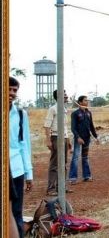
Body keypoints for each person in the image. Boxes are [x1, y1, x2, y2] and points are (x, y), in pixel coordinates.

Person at [9, 76, 33, 238]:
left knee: (16, 213)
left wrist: (28, 174)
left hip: (16, 170)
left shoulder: (20, 114)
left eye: (14, 90)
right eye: (8, 89)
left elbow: (24, 145)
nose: (11, 93)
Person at [43, 89, 73, 196]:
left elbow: (65, 127)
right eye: (64, 95)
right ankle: (51, 189)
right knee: (55, 164)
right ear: (59, 96)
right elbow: (47, 125)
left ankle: (61, 187)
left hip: (63, 138)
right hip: (56, 137)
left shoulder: (64, 109)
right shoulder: (53, 109)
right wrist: (48, 140)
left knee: (63, 163)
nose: (66, 96)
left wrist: (68, 140)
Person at [69, 95, 99, 185]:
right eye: (85, 100)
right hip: (79, 139)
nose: (87, 102)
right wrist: (78, 137)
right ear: (80, 102)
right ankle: (72, 178)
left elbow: (91, 126)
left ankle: (87, 176)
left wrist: (96, 137)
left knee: (85, 157)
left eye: (87, 100)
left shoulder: (88, 113)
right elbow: (73, 128)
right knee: (75, 158)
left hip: (87, 138)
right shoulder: (75, 114)